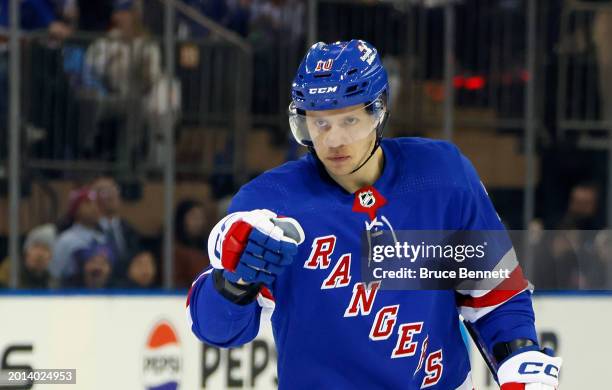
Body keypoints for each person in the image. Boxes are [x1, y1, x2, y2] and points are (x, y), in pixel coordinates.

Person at [186, 40, 562, 389]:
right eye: (320, 122)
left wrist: (519, 354)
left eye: (349, 120)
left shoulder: (442, 177)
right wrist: (232, 281)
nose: (333, 140)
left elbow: (494, 293)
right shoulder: (270, 203)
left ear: (379, 111)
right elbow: (216, 331)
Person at [49, 187, 106, 285]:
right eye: (88, 203)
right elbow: (55, 274)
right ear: (76, 209)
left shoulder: (102, 239)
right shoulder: (66, 240)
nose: (95, 208)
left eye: (97, 204)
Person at [92, 176, 142, 277]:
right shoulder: (89, 229)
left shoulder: (129, 230)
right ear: (93, 198)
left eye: (114, 189)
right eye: (105, 191)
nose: (112, 195)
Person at [173, 200, 210, 288]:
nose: (198, 222)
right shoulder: (174, 248)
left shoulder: (208, 245)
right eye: (194, 217)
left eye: (201, 217)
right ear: (182, 219)